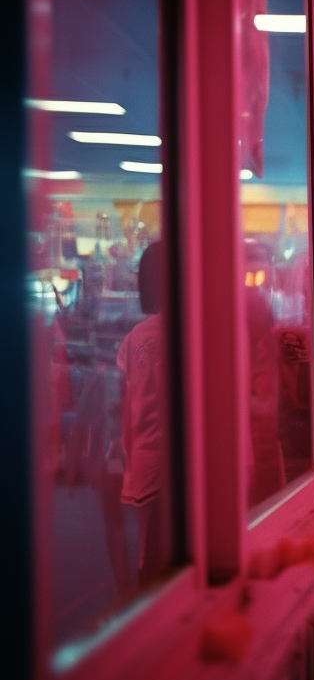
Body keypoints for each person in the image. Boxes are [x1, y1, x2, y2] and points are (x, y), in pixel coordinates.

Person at [116, 242, 170, 587]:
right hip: (179, 460)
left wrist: (128, 455)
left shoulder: (135, 338)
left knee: (148, 552)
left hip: (145, 457)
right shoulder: (196, 329)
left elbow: (126, 406)